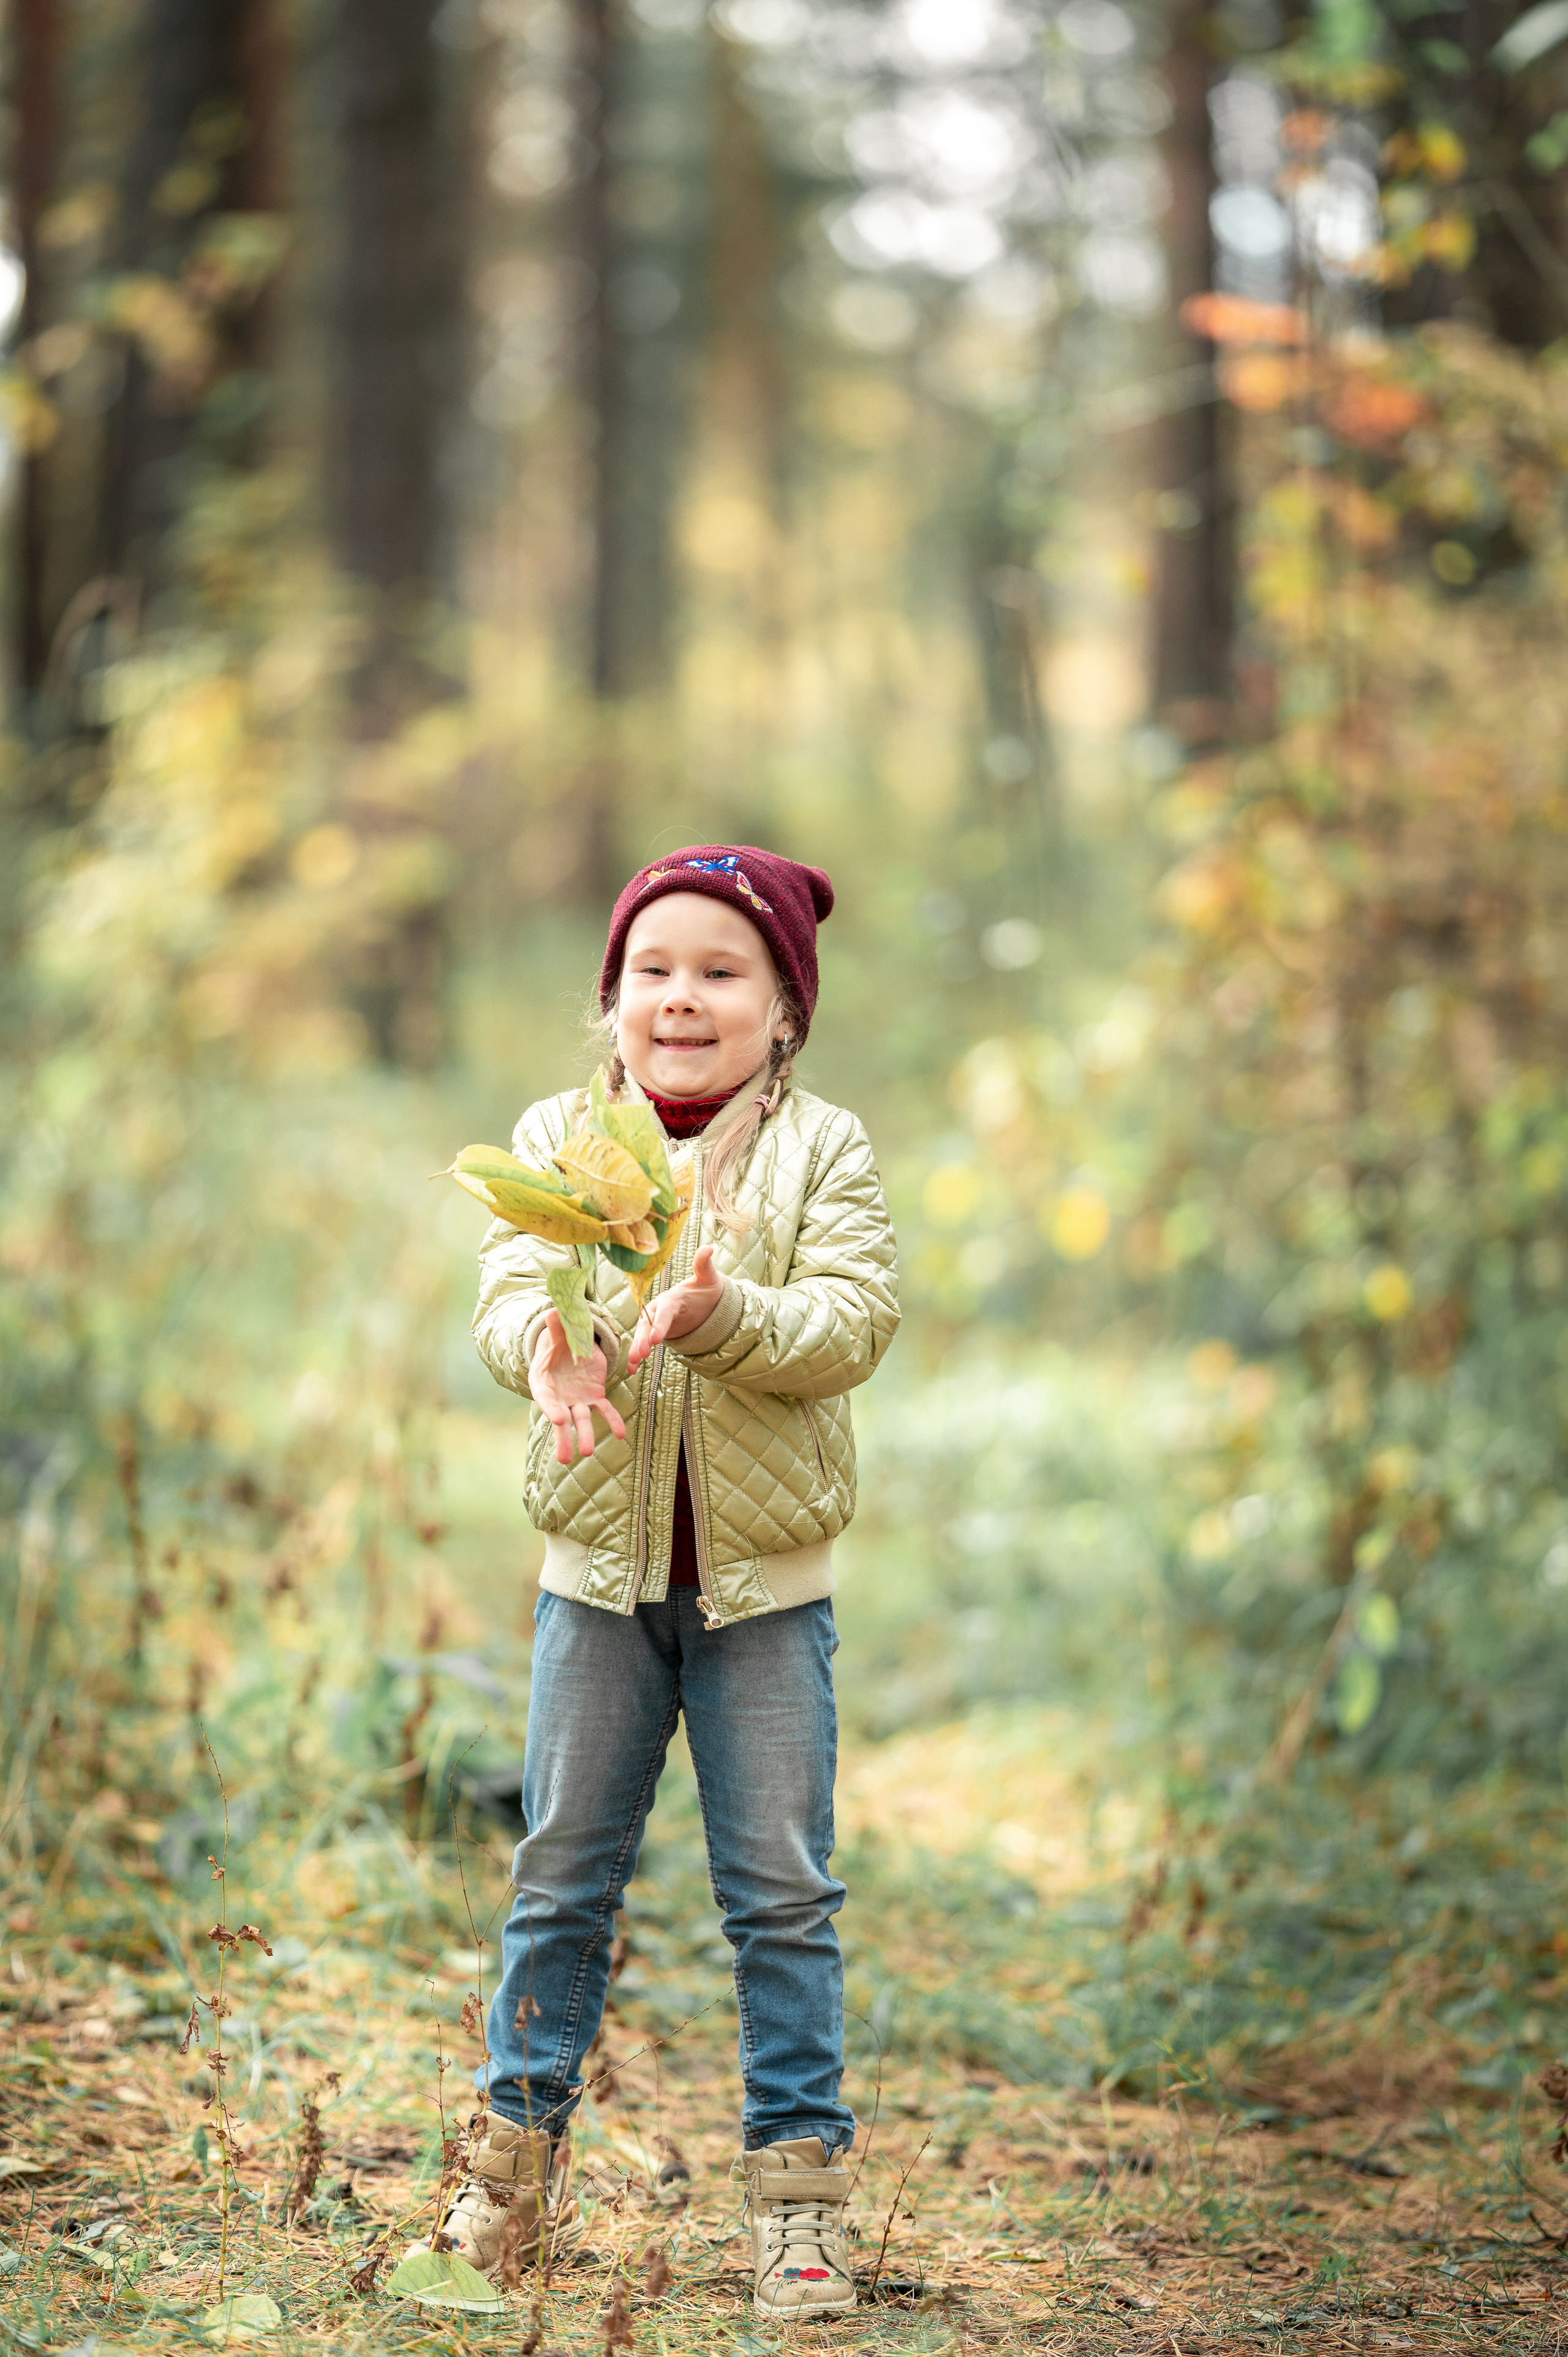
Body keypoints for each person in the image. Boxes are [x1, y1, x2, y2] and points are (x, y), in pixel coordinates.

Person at [415, 845, 900, 2317]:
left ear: (782, 1011)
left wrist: (725, 1310)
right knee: (559, 1872)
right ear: (611, 998)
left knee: (780, 1892)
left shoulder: (823, 1150)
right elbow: (512, 1290)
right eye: (652, 971)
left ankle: (798, 2207)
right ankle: (503, 2187)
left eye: (719, 971)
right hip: (593, 1586)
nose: (680, 998)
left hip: (765, 1594)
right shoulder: (562, 1137)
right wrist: (544, 1352)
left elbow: (853, 1315)